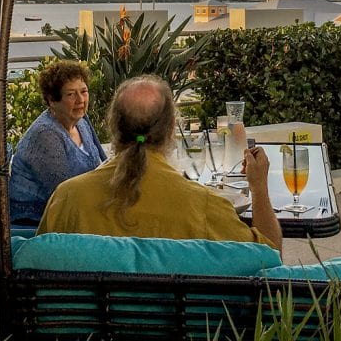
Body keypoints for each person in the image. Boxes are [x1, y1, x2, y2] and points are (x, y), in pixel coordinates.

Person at [37, 74, 282, 252]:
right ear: (171, 129)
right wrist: (259, 188)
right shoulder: (204, 207)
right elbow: (270, 257)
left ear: (113, 126)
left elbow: (38, 264)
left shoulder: (68, 197)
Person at [9, 60, 107, 224]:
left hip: (75, 210)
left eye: (84, 91)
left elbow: (102, 163)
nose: (80, 100)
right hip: (34, 222)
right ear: (52, 100)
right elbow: (66, 192)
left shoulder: (82, 121)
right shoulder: (45, 134)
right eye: (71, 94)